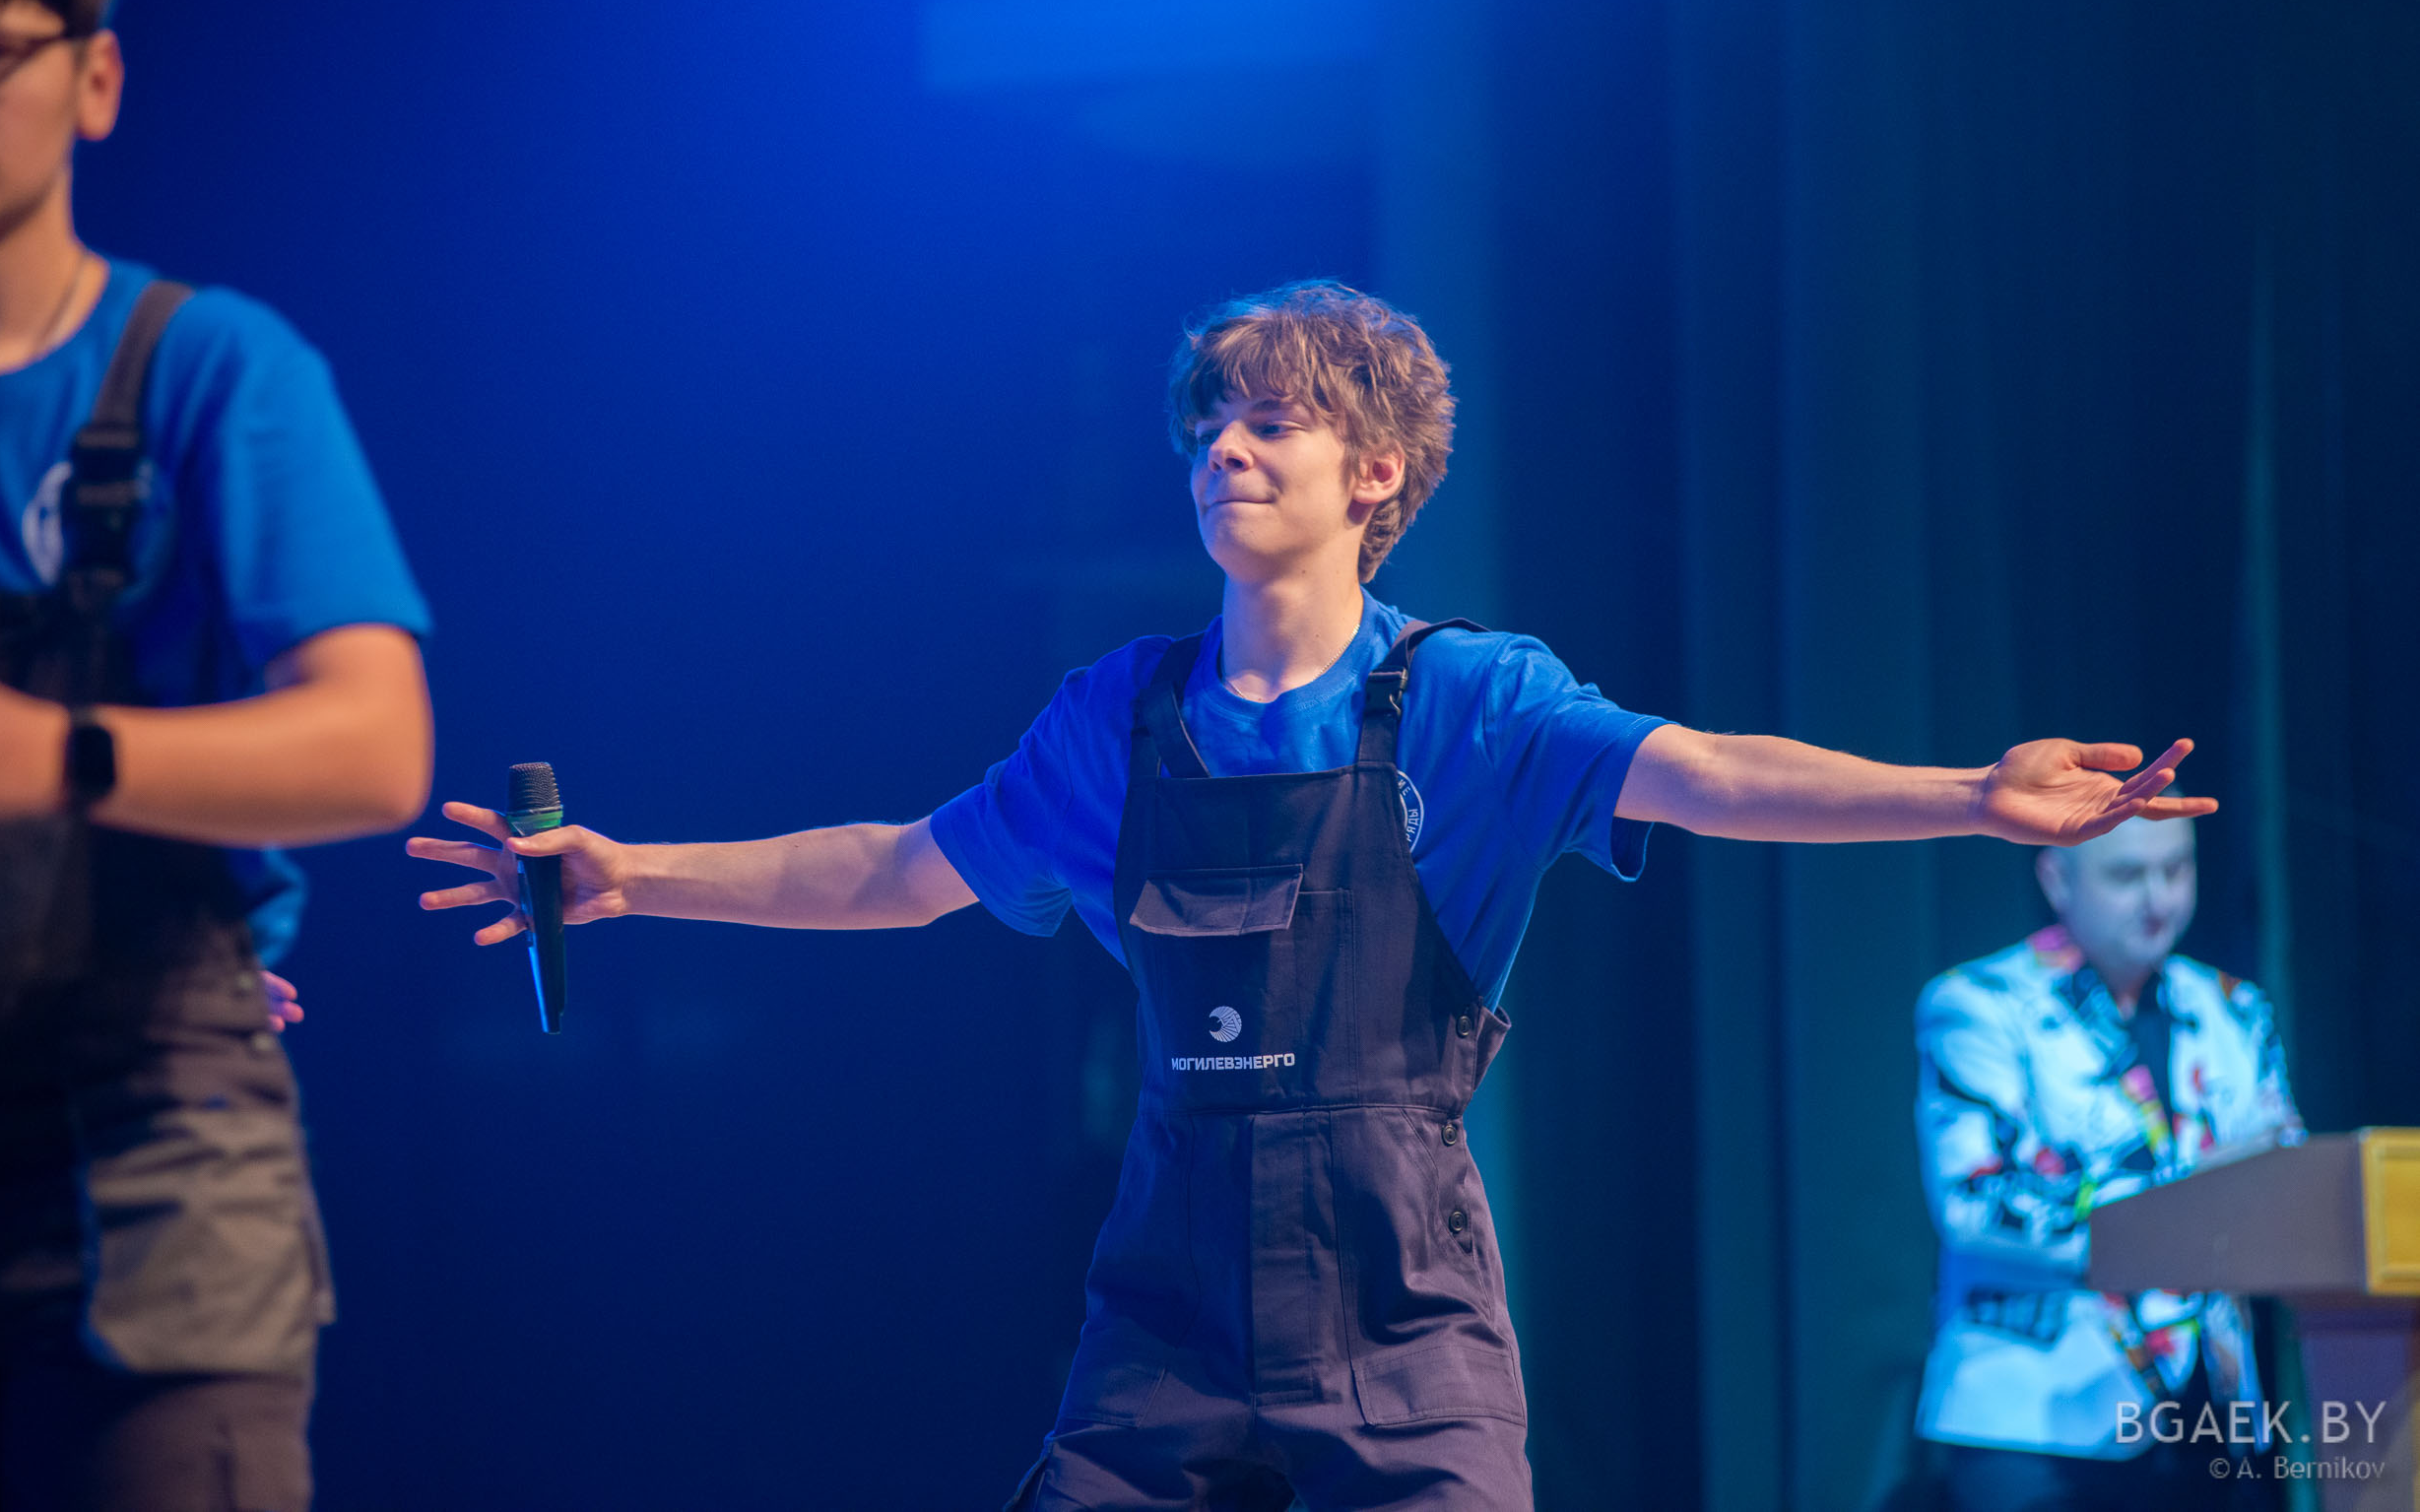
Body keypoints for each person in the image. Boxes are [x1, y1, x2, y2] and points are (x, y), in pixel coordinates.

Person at [413, 280, 2208, 1512]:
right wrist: (634, 873)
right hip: (1166, 1318)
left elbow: (1709, 773)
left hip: (1401, 1312)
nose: (1226, 449)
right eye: (1211, 423)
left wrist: (1968, 797)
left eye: (1273, 422)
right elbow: (900, 868)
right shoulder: (1114, 717)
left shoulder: (1474, 701)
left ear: (1377, 474)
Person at [0, 0, 432, 1509]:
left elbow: (376, 744)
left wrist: (60, 756)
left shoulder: (211, 368)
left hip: (148, 1162)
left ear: (93, 79)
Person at [1914, 814, 2301, 1511]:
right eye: (2127, 875)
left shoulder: (2234, 1006)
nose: (2158, 898)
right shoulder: (1980, 1003)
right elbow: (1977, 1203)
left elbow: (2288, 1176)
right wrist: (2193, 1195)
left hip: (2213, 1410)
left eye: (2176, 869)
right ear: (2057, 879)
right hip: (2039, 1416)